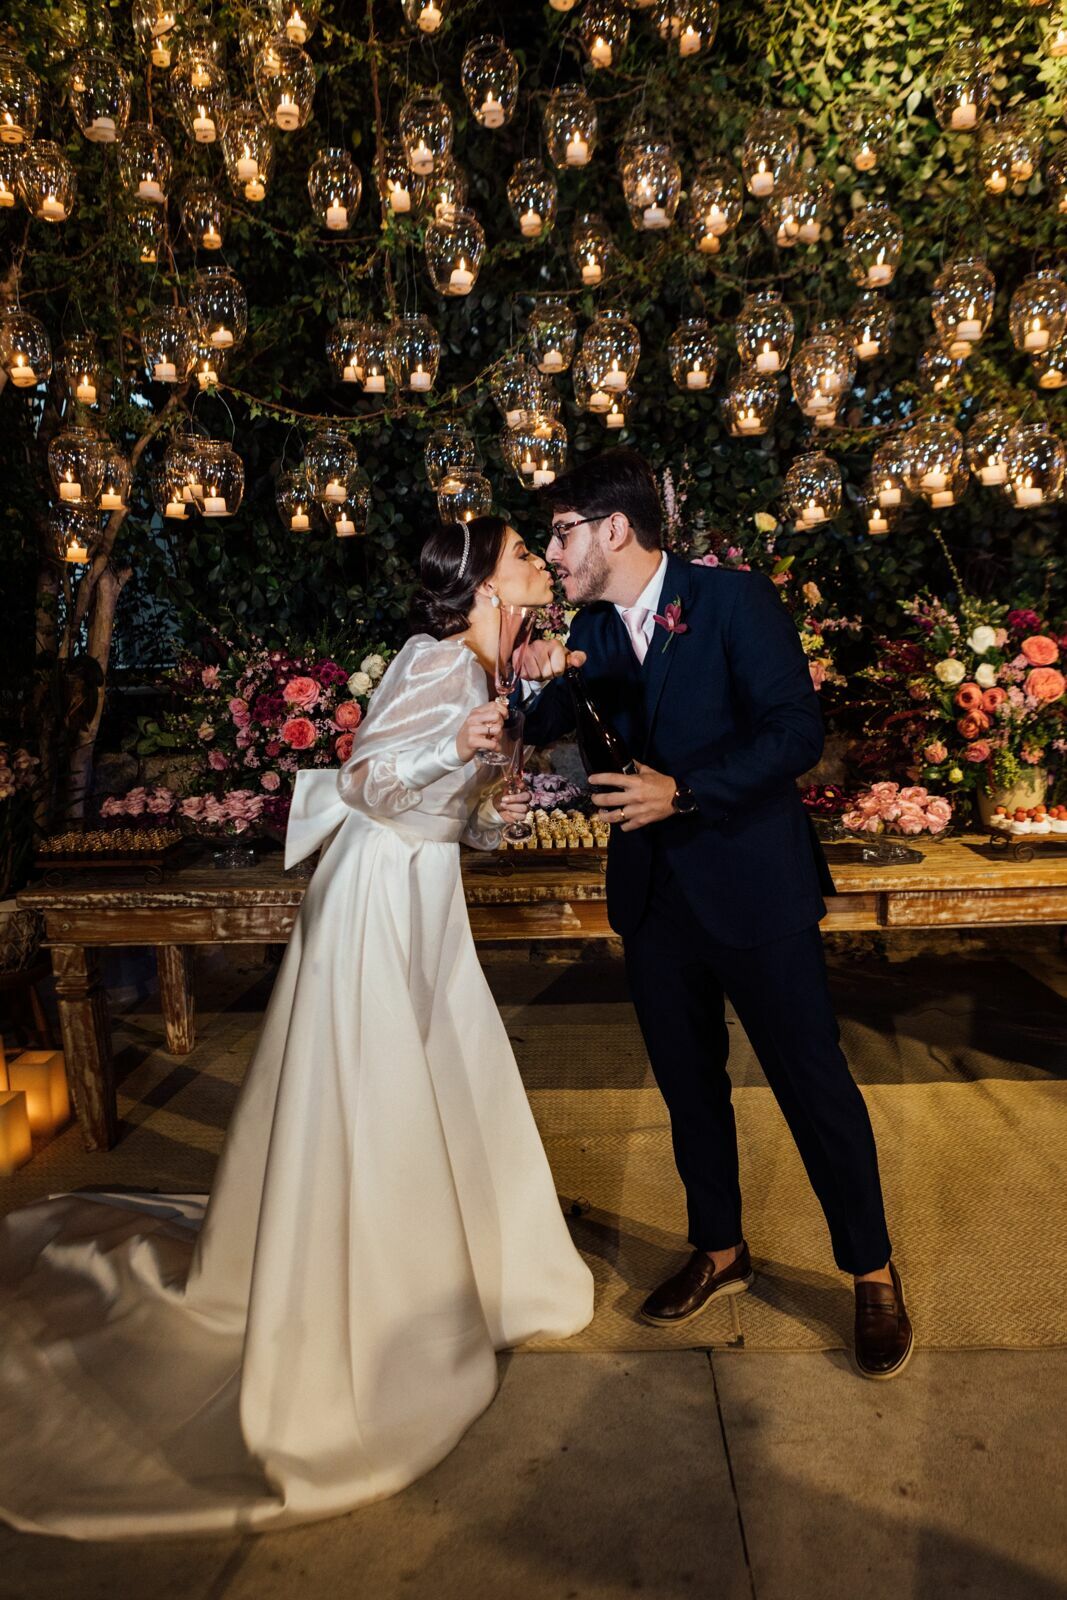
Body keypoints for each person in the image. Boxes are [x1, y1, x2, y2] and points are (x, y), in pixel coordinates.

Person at [0, 516, 593, 1540]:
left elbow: (469, 798)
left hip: (424, 890)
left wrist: (492, 783)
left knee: (441, 1066)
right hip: (376, 893)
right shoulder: (433, 656)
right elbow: (365, 777)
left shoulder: (495, 668)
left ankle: (459, 1258)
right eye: (522, 556)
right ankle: (371, 1280)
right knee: (377, 1083)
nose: (539, 562)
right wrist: (456, 744)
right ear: (485, 582)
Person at [519, 449, 913, 1381]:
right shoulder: (590, 628)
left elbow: (795, 734)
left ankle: (871, 1269)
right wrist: (526, 677)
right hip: (654, 900)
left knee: (812, 1084)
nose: (550, 549)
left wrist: (683, 793)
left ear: (613, 528)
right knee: (687, 1087)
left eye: (559, 530)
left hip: (754, 889)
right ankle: (720, 1248)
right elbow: (536, 729)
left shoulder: (734, 601)